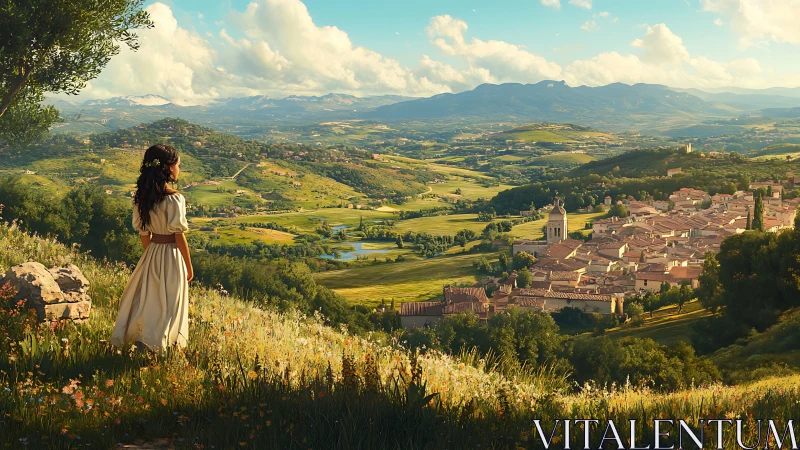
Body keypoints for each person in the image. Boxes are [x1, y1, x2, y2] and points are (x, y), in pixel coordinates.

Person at [111, 144, 193, 351]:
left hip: (152, 252)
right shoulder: (175, 199)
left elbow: (143, 233)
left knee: (150, 300)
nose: (179, 169)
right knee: (170, 303)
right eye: (178, 165)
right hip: (172, 256)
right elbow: (178, 235)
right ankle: (163, 343)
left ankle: (145, 340)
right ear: (169, 168)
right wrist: (188, 265)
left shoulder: (142, 198)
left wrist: (150, 255)